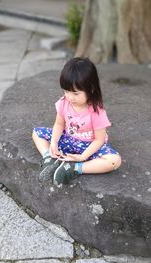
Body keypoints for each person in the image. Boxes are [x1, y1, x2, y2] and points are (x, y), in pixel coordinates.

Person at [32, 57, 121, 186]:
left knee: (114, 161)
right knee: (37, 133)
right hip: (68, 139)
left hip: (89, 146)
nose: (69, 97)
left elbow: (99, 140)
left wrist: (82, 157)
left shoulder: (96, 111)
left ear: (90, 89)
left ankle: (74, 168)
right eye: (66, 91)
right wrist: (54, 143)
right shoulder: (64, 102)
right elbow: (59, 124)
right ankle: (49, 158)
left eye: (75, 93)